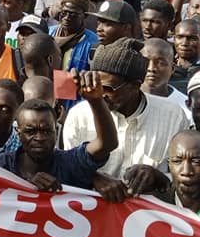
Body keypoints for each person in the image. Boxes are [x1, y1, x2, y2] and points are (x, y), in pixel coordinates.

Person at [63, 38, 189, 184]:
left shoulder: (173, 116)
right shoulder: (79, 116)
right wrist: (95, 180)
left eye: (108, 89)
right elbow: (69, 168)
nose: (99, 94)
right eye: (97, 86)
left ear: (135, 86)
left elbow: (183, 175)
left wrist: (157, 177)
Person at [0, 78, 118, 191]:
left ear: (57, 132)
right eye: (30, 132)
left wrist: (96, 101)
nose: (39, 138)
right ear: (18, 133)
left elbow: (106, 144)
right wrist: (27, 187)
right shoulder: (0, 167)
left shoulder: (71, 164)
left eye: (46, 131)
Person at [141, 38, 191, 119]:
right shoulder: (124, 101)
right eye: (145, 62)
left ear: (172, 68)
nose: (151, 68)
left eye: (161, 63)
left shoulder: (185, 108)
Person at [51, 0, 99, 75]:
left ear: (85, 15)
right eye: (64, 13)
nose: (66, 17)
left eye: (73, 14)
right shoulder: (48, 33)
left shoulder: (93, 43)